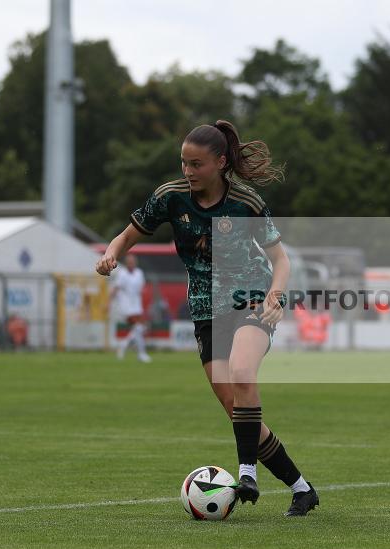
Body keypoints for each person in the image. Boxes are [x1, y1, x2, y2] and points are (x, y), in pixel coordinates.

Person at [95, 119, 318, 516]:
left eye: (196, 164)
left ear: (219, 162)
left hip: (252, 298)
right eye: (183, 163)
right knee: (236, 407)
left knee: (242, 372)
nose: (188, 172)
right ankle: (302, 488)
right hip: (205, 310)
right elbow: (127, 235)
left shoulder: (245, 201)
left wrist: (275, 295)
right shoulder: (170, 197)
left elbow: (279, 259)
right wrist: (112, 253)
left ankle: (246, 472)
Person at [110, 254, 152, 363]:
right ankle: (142, 354)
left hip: (136, 306)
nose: (131, 263)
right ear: (126, 263)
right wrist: (108, 302)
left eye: (133, 261)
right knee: (138, 328)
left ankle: (123, 346)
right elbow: (116, 288)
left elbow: (141, 289)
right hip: (126, 306)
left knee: (140, 329)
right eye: (129, 261)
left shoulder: (139, 273)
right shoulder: (122, 274)